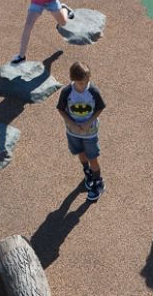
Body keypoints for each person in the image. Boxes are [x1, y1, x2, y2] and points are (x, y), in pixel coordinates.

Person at [57, 62, 106, 201]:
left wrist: (89, 122)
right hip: (73, 132)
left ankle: (98, 183)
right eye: (80, 83)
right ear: (73, 79)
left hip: (90, 132)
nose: (84, 85)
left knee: (93, 158)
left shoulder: (93, 91)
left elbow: (100, 108)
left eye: (86, 82)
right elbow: (60, 109)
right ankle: (87, 172)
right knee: (80, 152)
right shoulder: (67, 92)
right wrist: (71, 123)